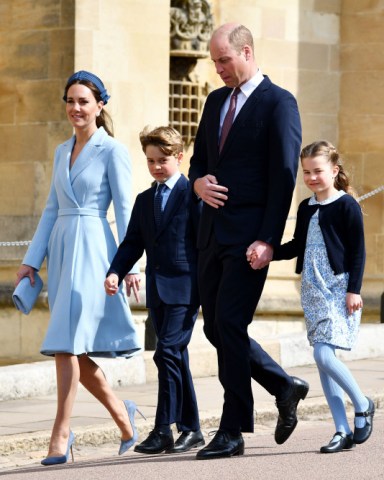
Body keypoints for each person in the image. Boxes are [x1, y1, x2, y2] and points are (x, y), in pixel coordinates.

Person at [188, 23, 309, 460]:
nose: (217, 68)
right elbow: (198, 162)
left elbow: (283, 177)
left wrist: (268, 240)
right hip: (211, 236)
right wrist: (198, 183)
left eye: (224, 60)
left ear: (247, 52)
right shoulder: (215, 100)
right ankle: (284, 385)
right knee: (216, 327)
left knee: (231, 324)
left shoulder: (279, 103)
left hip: (248, 241)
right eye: (214, 61)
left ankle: (232, 429)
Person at [15, 71, 142, 465]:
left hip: (95, 251)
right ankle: (124, 416)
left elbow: (125, 212)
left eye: (83, 101)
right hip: (62, 250)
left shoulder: (112, 150)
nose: (75, 108)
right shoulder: (59, 151)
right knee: (69, 346)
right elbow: (51, 209)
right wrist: (31, 261)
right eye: (70, 101)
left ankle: (61, 434)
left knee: (68, 345)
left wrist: (132, 265)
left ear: (100, 105)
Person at [105, 126, 204, 455]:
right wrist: (116, 272)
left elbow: (204, 244)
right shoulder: (145, 200)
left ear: (179, 157)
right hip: (158, 292)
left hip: (186, 289)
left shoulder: (193, 195)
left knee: (166, 353)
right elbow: (133, 242)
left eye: (162, 160)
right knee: (175, 357)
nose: (156, 166)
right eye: (150, 161)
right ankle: (191, 429)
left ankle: (163, 428)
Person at [273, 140, 374, 453]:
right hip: (312, 289)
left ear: (334, 170)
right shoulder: (306, 208)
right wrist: (267, 253)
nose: (312, 177)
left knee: (323, 356)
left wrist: (354, 290)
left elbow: (358, 251)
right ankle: (341, 430)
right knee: (323, 362)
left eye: (318, 171)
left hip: (338, 288)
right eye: (307, 172)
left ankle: (362, 403)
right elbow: (296, 246)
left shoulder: (347, 205)